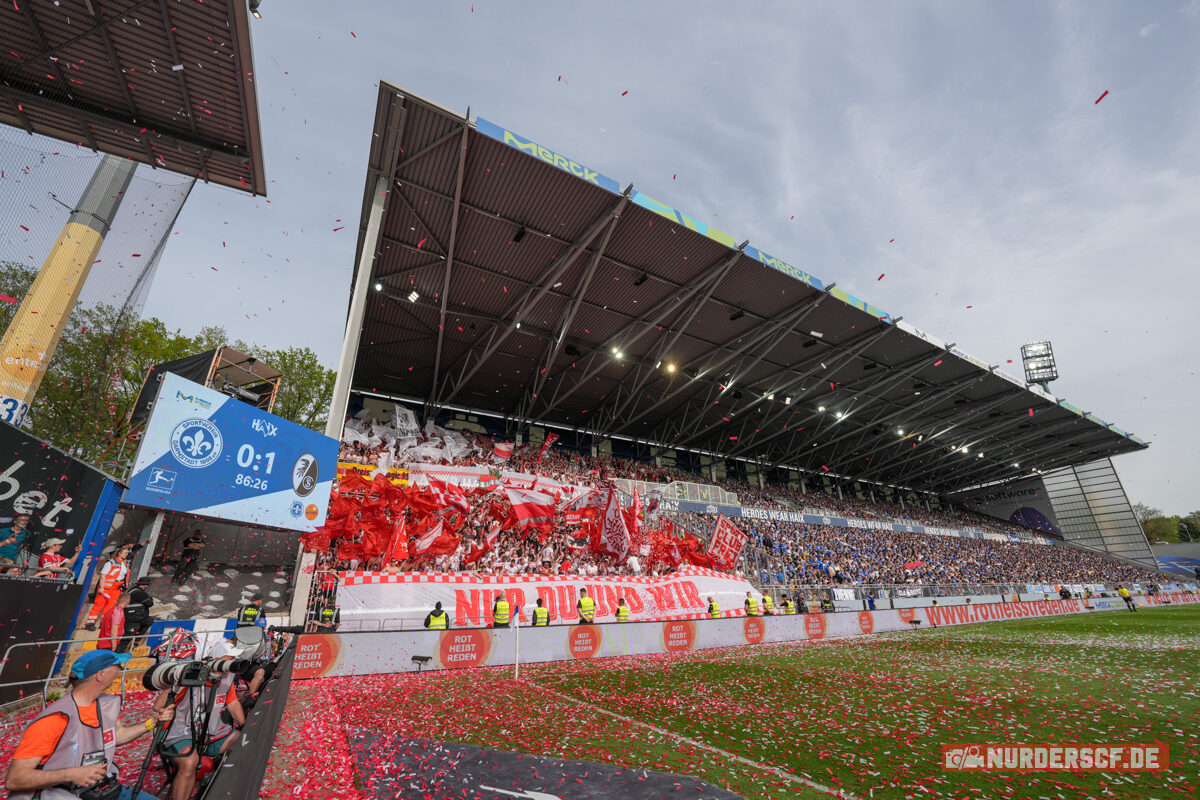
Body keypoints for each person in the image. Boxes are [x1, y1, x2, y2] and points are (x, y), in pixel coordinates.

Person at [4, 650, 174, 800]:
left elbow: (115, 736)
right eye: (117, 666)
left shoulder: (104, 706)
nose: (120, 671)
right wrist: (71, 774)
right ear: (100, 675)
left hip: (100, 789)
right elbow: (15, 779)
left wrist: (152, 723)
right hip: (59, 793)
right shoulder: (54, 719)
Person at [153, 650, 246, 800]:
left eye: (233, 660)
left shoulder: (227, 679)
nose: (228, 666)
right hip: (177, 732)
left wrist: (245, 726)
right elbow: (158, 707)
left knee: (243, 741)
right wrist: (184, 677)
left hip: (210, 731)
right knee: (190, 761)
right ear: (214, 659)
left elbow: (233, 703)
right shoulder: (194, 674)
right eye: (226, 660)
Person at [85, 544, 131, 631]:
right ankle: (90, 622)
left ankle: (104, 623)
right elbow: (103, 575)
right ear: (119, 553)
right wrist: (101, 587)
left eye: (127, 553)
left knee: (110, 606)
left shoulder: (125, 564)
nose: (126, 554)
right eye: (125, 553)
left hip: (116, 588)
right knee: (99, 605)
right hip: (106, 587)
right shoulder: (111, 562)